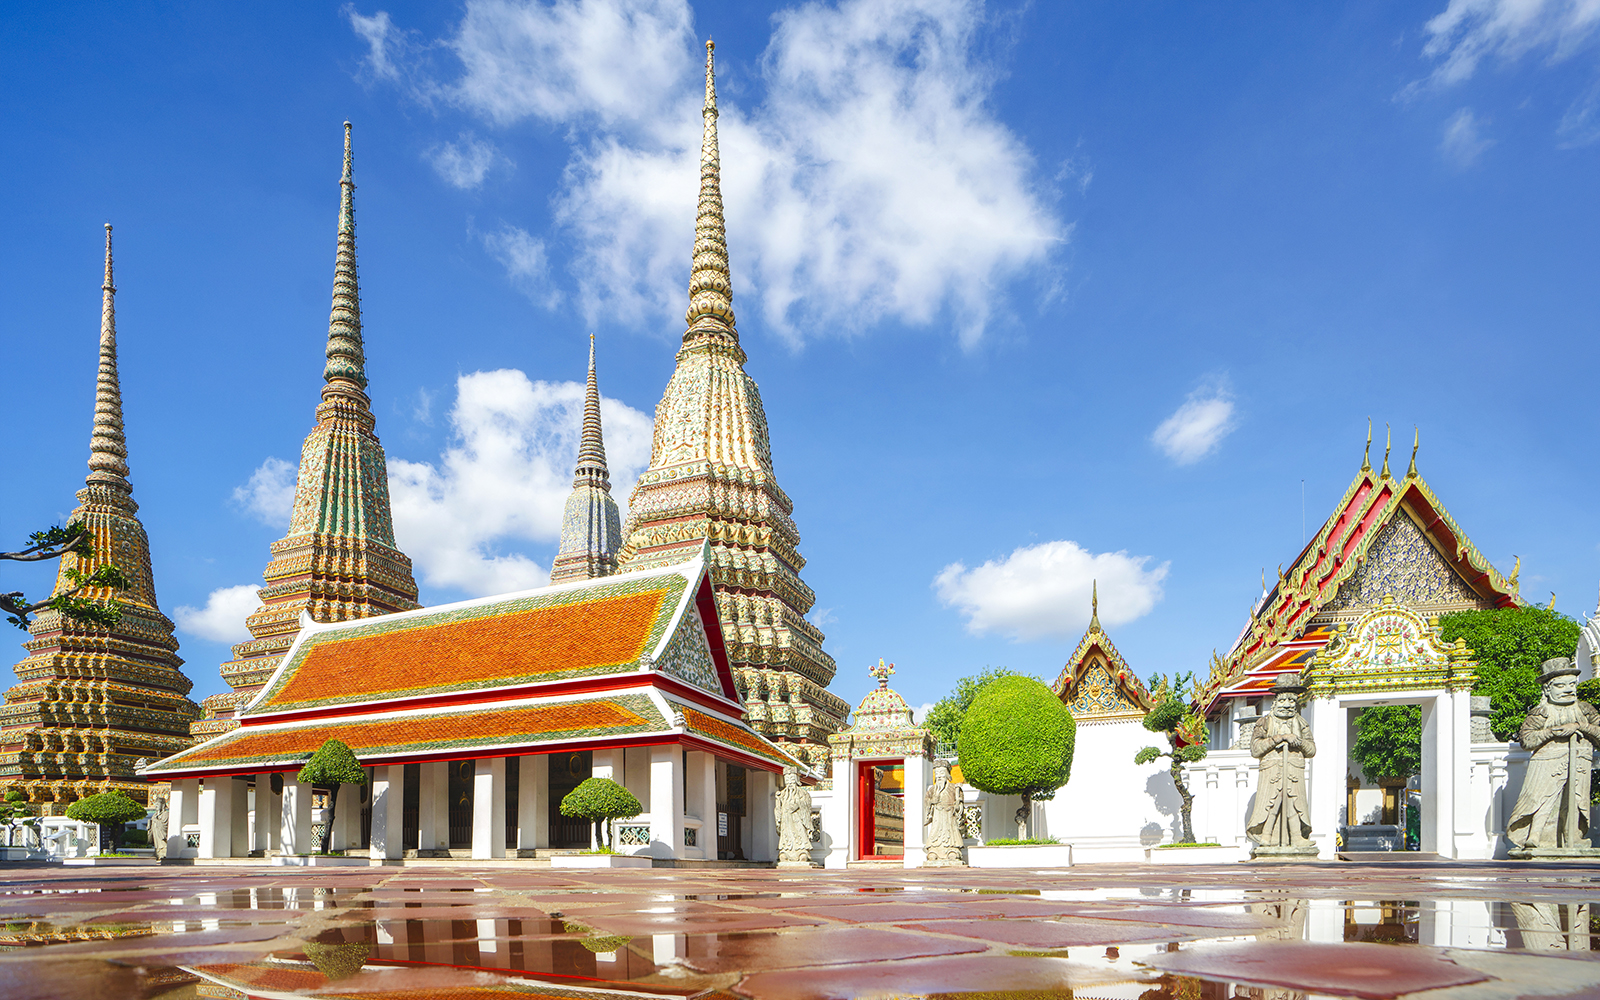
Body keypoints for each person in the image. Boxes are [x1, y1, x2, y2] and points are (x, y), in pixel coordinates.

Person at [1507, 658, 1600, 852]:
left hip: (1579, 760)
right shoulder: (1541, 712)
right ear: (1548, 689)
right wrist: (1552, 732)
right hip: (1547, 762)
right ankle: (1534, 836)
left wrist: (1579, 726)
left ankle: (1572, 837)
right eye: (1560, 685)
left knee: (1575, 800)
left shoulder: (1585, 710)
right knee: (1541, 799)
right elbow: (1527, 740)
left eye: (1572, 684)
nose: (1568, 690)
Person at [1246, 674, 1317, 850]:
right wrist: (1278, 738)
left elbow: (1312, 750)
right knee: (1272, 801)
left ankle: (1297, 837)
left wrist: (1298, 741)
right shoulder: (1265, 722)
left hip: (1293, 768)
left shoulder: (1301, 723)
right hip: (1272, 769)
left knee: (1293, 802)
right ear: (1275, 702)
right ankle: (1266, 835)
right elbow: (1255, 749)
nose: (1287, 705)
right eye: (1283, 700)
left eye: (1292, 701)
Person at [924, 760, 964, 866]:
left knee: (951, 834)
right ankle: (933, 851)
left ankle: (953, 851)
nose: (939, 776)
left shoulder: (954, 788)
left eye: (942, 773)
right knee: (935, 833)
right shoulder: (932, 790)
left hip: (949, 816)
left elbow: (959, 805)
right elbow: (927, 802)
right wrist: (932, 801)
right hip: (937, 816)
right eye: (937, 774)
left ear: (947, 774)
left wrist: (958, 805)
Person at [775, 768, 814, 864]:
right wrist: (778, 802)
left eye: (792, 779)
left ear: (797, 779)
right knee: (786, 837)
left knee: (800, 834)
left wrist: (797, 805)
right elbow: (778, 809)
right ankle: (785, 852)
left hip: (798, 820)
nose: (789, 782)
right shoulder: (782, 794)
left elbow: (806, 807)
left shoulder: (802, 794)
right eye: (787, 779)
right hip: (786, 822)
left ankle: (802, 852)